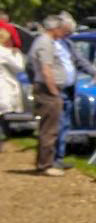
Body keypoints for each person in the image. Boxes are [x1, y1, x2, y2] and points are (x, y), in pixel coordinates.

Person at [54, 14, 96, 167]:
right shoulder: (48, 44)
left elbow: (80, 61)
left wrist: (93, 72)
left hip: (68, 89)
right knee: (56, 124)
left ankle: (59, 156)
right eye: (67, 31)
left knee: (65, 123)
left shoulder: (67, 44)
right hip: (55, 89)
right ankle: (52, 159)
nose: (68, 34)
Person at [28, 16, 69, 175]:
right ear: (54, 28)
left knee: (48, 127)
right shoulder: (45, 43)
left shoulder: (44, 42)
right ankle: (45, 165)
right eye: (61, 28)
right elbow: (46, 69)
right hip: (47, 90)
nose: (62, 31)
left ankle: (44, 162)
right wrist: (54, 91)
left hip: (45, 88)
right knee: (49, 129)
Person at [0, 28, 24, 151]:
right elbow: (19, 67)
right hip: (3, 86)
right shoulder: (4, 52)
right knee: (2, 115)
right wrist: (16, 53)